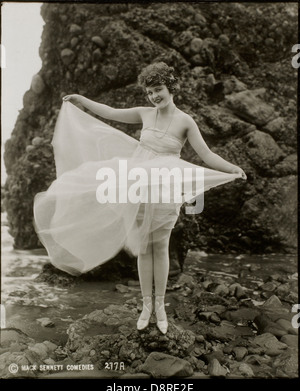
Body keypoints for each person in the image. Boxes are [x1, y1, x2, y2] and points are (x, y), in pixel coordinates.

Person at [33, 62, 246, 335]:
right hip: (138, 187)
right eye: (149, 92)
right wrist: (81, 100)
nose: (154, 96)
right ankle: (146, 306)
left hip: (166, 188)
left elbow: (206, 155)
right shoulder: (145, 113)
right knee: (144, 247)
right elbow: (110, 113)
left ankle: (160, 307)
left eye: (158, 89)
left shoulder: (185, 121)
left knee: (161, 247)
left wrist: (231, 168)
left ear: (171, 87)